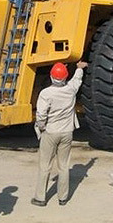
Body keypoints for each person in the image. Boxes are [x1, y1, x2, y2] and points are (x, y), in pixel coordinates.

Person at [31, 61, 88, 207]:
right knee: (64, 166)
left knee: (45, 166)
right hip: (67, 132)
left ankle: (40, 198)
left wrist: (42, 128)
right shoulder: (70, 90)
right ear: (65, 77)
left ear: (51, 76)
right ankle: (63, 198)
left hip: (51, 132)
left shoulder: (46, 93)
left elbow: (41, 115)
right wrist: (79, 68)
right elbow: (76, 81)